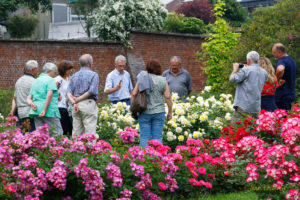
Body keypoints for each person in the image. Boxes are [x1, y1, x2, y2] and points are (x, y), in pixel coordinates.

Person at [131, 60, 172, 147]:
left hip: (144, 111)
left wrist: (132, 110)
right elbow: (167, 96)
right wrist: (170, 112)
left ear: (147, 68)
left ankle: (144, 158)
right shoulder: (162, 80)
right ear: (159, 69)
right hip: (159, 112)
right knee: (157, 137)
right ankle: (158, 158)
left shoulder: (142, 79)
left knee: (144, 137)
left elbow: (134, 94)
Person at [229, 51, 268, 122]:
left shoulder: (245, 70)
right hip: (256, 106)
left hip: (243, 106)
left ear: (249, 60)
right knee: (252, 127)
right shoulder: (264, 72)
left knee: (235, 127)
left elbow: (232, 79)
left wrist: (235, 69)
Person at [67, 54, 99, 136]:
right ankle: (89, 148)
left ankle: (75, 148)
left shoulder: (74, 76)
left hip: (76, 106)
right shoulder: (94, 75)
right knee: (90, 133)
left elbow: (68, 92)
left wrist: (74, 102)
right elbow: (91, 91)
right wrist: (78, 99)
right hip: (88, 104)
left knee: (76, 133)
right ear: (90, 64)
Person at [27, 62, 63, 135]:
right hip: (49, 111)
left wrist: (31, 103)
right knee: (57, 132)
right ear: (49, 71)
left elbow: (28, 98)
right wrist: (44, 110)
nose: (55, 75)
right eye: (54, 72)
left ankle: (39, 146)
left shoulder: (36, 81)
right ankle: (56, 146)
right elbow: (49, 95)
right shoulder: (50, 80)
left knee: (40, 133)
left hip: (36, 110)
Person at [8, 60, 38, 132]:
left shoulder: (18, 81)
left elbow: (15, 98)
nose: (37, 71)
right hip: (31, 112)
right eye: (37, 69)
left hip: (20, 113)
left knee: (22, 136)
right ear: (33, 70)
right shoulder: (34, 81)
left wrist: (12, 111)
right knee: (32, 136)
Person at [272, 43, 298, 110]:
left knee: (282, 118)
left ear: (279, 52)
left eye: (274, 53)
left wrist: (277, 80)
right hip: (291, 94)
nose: (273, 55)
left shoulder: (282, 61)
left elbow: (280, 69)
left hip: (282, 97)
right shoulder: (292, 61)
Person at [55, 60, 73, 135]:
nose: (70, 71)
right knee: (64, 129)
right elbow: (53, 90)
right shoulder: (58, 79)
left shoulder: (69, 79)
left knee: (70, 129)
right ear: (64, 70)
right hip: (60, 107)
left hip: (68, 107)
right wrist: (58, 96)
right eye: (69, 69)